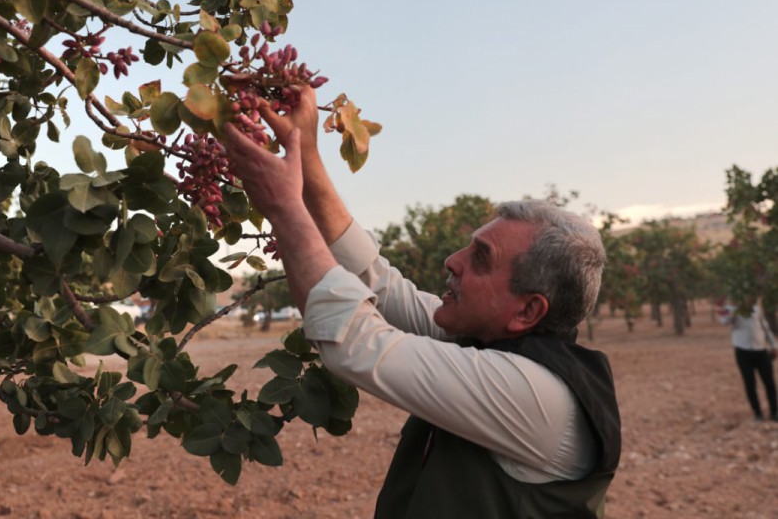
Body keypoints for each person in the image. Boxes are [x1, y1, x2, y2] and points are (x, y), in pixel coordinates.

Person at [224, 87, 621, 518]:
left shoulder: (536, 396)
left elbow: (355, 343)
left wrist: (283, 207)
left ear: (527, 311)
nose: (453, 262)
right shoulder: (482, 340)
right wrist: (307, 156)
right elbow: (379, 282)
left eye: (481, 259)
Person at [718, 298, 778, 422]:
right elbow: (724, 322)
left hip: (761, 350)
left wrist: (774, 345)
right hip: (743, 351)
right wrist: (731, 309)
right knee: (750, 383)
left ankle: (774, 412)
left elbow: (765, 327)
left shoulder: (757, 309)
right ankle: (757, 413)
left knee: (770, 383)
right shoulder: (731, 310)